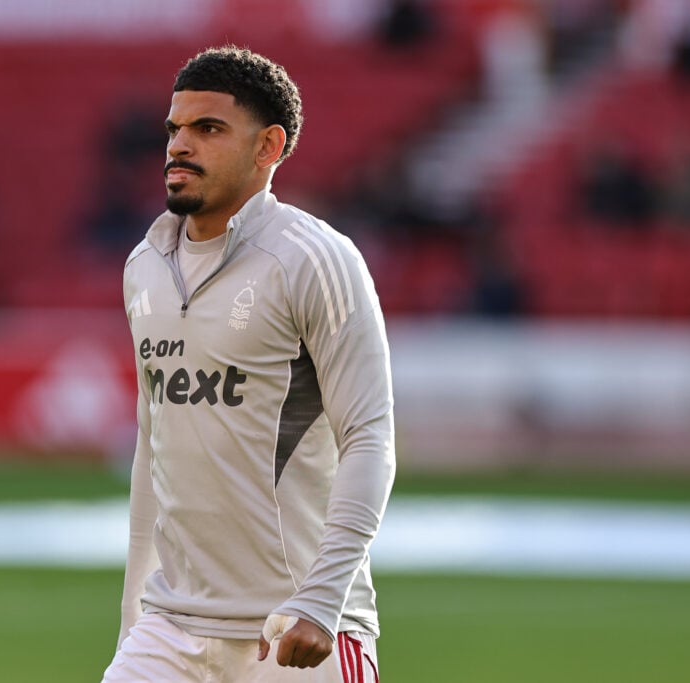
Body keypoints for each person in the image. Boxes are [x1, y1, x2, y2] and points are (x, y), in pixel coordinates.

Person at [103, 46, 396, 682]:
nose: (180, 145)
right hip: (172, 628)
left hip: (293, 630)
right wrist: (133, 626)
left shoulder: (314, 259)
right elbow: (153, 455)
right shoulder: (144, 267)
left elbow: (370, 438)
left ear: (268, 147)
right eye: (174, 128)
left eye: (208, 129)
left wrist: (323, 602)